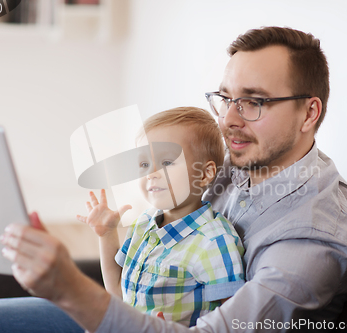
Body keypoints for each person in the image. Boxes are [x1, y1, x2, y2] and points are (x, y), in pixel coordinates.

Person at [0, 26, 347, 333]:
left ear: (309, 114)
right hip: (153, 308)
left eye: (253, 102)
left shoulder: (313, 237)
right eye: (225, 98)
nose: (229, 120)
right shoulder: (243, 159)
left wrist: (71, 289)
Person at [76, 107, 245, 327]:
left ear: (205, 174)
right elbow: (117, 295)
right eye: (144, 164)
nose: (151, 173)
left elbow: (235, 321)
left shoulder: (214, 242)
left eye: (166, 163)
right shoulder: (143, 224)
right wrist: (106, 234)